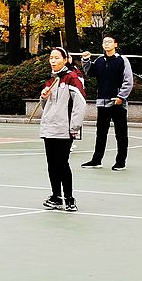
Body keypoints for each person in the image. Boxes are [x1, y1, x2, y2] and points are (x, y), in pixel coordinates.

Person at [39, 47, 86, 212]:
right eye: (51, 58)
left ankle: (69, 198)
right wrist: (43, 97)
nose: (53, 61)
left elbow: (80, 104)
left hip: (64, 129)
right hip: (49, 128)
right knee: (52, 164)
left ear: (65, 60)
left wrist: (74, 127)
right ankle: (56, 197)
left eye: (57, 58)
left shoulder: (72, 78)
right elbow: (46, 106)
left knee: (62, 164)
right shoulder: (50, 79)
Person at [80, 34, 133, 171]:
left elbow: (128, 81)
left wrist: (121, 97)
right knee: (101, 134)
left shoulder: (122, 60)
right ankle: (96, 160)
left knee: (121, 134)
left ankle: (121, 162)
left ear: (115, 44)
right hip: (102, 103)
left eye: (109, 41)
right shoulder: (99, 61)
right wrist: (85, 60)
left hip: (117, 103)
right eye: (104, 42)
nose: (107, 44)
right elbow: (89, 72)